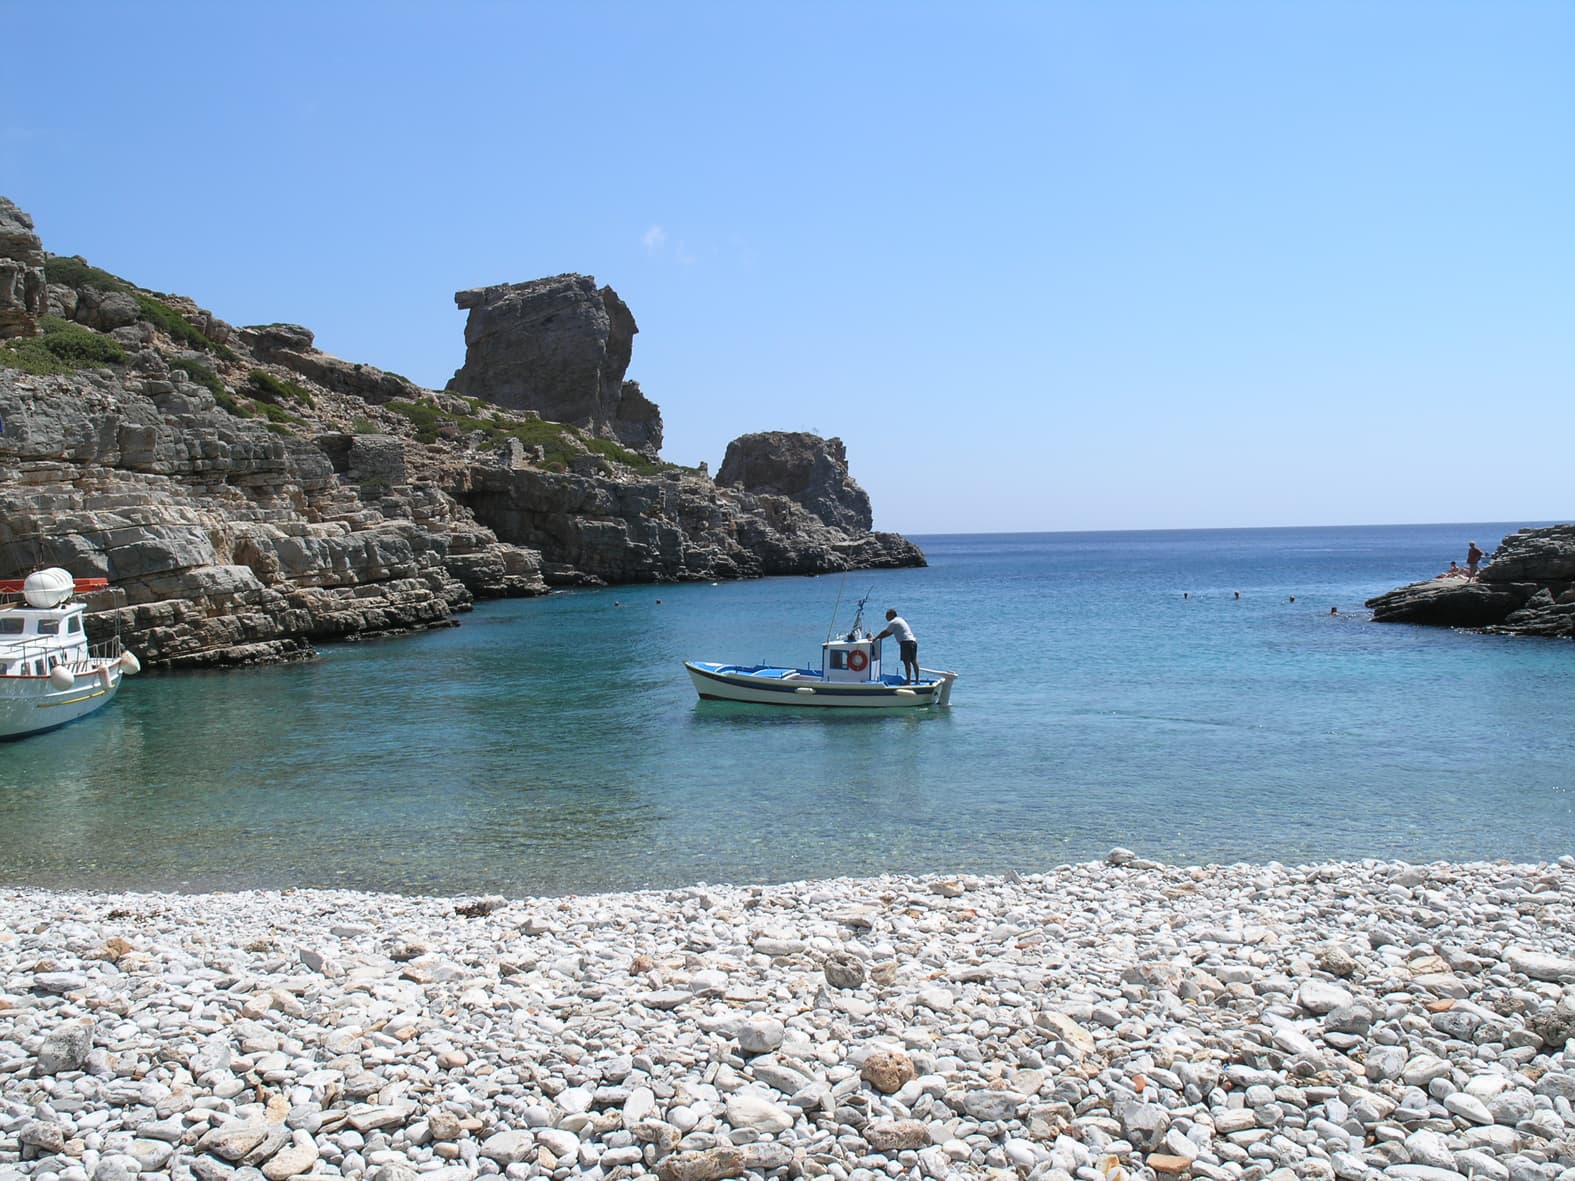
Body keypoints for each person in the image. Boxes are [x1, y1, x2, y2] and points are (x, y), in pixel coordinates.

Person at [873, 608, 919, 685]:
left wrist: (875, 638)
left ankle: (908, 681)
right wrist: (879, 638)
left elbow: (885, 632)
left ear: (891, 614)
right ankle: (917, 680)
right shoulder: (900, 620)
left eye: (887, 615)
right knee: (914, 661)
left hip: (905, 643)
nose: (885, 617)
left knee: (906, 662)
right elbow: (889, 633)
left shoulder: (894, 622)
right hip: (912, 641)